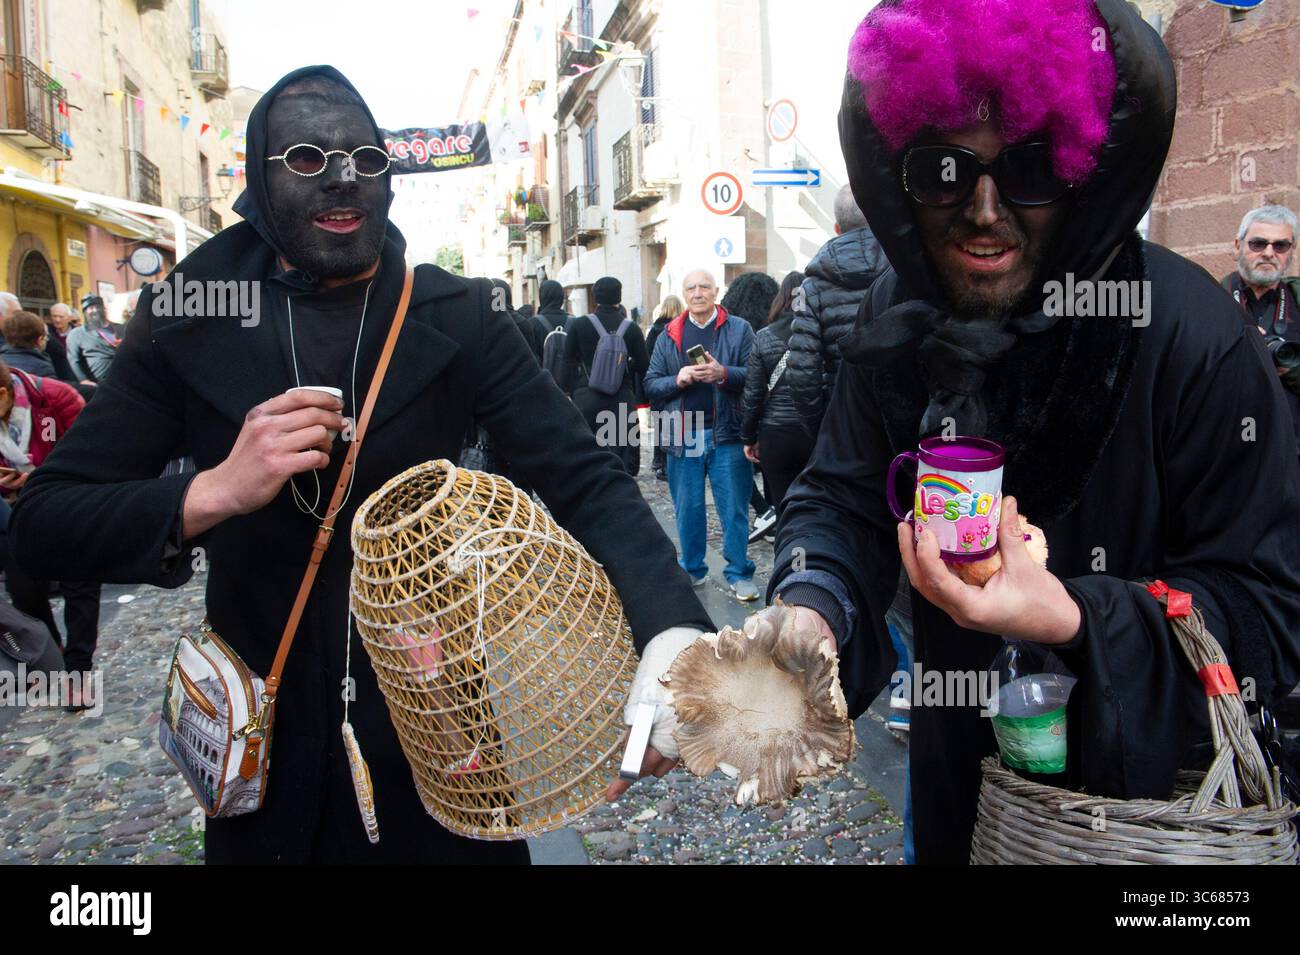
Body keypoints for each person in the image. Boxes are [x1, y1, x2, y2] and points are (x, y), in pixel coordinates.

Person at [10, 66, 713, 864]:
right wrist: (212, 491)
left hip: (439, 737)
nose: (344, 176)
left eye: (368, 158)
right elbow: (46, 520)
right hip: (268, 738)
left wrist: (672, 625)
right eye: (308, 157)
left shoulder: (451, 312)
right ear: (259, 181)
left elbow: (584, 477)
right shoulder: (190, 311)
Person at [764, 0, 1300, 864]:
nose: (982, 208)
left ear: (1084, 171)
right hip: (954, 800)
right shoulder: (897, 316)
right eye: (943, 169)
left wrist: (1076, 617)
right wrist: (812, 605)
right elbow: (844, 495)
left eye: (1032, 167)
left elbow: (1269, 616)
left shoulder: (1190, 334)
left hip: (1147, 832)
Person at [645, 269, 758, 601]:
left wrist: (724, 373)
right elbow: (651, 384)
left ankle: (739, 573)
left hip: (729, 434)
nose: (697, 293)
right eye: (691, 287)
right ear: (684, 293)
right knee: (688, 508)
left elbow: (755, 374)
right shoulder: (669, 334)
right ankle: (692, 569)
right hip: (684, 435)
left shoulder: (739, 329)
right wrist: (678, 379)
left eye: (704, 287)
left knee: (734, 508)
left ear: (716, 291)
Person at [0, 359, 101, 709]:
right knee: (24, 589)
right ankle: (51, 654)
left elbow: (94, 454)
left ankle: (78, 671)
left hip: (70, 504)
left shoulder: (56, 398)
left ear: (3, 395)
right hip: (15, 514)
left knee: (80, 587)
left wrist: (41, 478)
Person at [787, 184, 889, 431]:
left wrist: (821, 427)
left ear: (837, 228)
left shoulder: (809, 288)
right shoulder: (907, 271)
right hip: (899, 412)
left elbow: (802, 371)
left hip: (842, 416)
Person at [1220, 205, 1300, 463]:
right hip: (1227, 455)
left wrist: (1290, 368)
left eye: (1280, 245)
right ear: (1237, 245)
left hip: (1291, 457)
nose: (1268, 253)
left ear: (1292, 251)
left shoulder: (1297, 301)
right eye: (1258, 243)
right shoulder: (1210, 300)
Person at [557, 276, 647, 475]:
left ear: (595, 296)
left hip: (586, 397)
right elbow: (643, 365)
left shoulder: (579, 324)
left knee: (589, 456)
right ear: (619, 297)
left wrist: (568, 391)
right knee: (622, 456)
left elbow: (568, 362)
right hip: (621, 398)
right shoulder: (631, 328)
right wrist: (621, 369)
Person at [740, 271, 811, 516]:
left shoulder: (764, 337)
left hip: (775, 435)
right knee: (816, 503)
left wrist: (749, 437)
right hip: (813, 431)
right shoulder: (817, 333)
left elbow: (753, 394)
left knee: (784, 507)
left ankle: (788, 551)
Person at [645, 295, 682, 481]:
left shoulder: (655, 330)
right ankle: (668, 463)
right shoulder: (680, 329)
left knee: (660, 421)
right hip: (677, 381)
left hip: (658, 382)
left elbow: (647, 355)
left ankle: (658, 460)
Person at [65, 294, 120, 383]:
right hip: (97, 385)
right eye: (90, 308)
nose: (95, 310)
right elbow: (73, 361)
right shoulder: (77, 334)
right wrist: (84, 380)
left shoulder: (120, 329)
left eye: (97, 307)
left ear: (103, 309)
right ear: (85, 312)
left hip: (125, 382)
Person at [1, 310, 59, 378]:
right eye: (46, 337)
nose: (46, 340)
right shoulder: (42, 368)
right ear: (39, 340)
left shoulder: (1, 362)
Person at [44, 303, 82, 386]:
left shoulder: (79, 334)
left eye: (61, 317)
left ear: (69, 318)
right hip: (55, 376)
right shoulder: (46, 334)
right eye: (54, 316)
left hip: (76, 376)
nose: (57, 320)